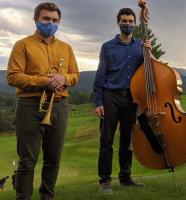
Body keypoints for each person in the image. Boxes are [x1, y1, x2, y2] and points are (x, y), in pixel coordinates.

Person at [7, 2, 80, 199]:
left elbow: (75, 75)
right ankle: (23, 197)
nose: (50, 23)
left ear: (59, 22)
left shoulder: (66, 48)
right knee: (27, 161)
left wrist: (64, 78)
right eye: (46, 19)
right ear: (36, 19)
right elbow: (13, 76)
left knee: (53, 159)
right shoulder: (23, 45)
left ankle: (47, 196)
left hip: (59, 106)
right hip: (29, 106)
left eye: (55, 20)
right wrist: (45, 81)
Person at [93, 2, 152, 193]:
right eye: (124, 21)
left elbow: (150, 71)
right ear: (118, 23)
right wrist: (98, 101)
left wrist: (149, 53)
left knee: (127, 141)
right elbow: (100, 75)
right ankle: (104, 181)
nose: (128, 24)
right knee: (107, 140)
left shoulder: (141, 46)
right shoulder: (108, 47)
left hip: (131, 98)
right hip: (110, 95)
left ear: (136, 24)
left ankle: (125, 177)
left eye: (131, 21)